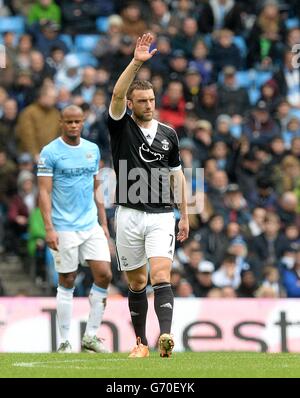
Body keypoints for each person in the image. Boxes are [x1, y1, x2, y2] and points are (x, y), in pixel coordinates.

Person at [107, 33, 189, 358]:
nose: (149, 105)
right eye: (142, 101)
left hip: (160, 215)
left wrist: (186, 213)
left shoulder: (169, 134)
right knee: (138, 282)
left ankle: (165, 336)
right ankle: (140, 342)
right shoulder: (121, 127)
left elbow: (177, 175)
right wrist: (137, 61)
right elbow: (115, 93)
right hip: (127, 213)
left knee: (160, 274)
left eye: (152, 100)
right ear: (131, 104)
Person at [37, 105, 112, 353]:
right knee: (67, 280)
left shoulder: (92, 150)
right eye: (68, 122)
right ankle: (65, 341)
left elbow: (96, 188)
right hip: (64, 226)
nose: (73, 126)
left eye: (77, 121)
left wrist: (103, 223)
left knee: (104, 274)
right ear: (61, 122)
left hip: (90, 224)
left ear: (82, 122)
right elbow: (44, 192)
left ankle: (90, 336)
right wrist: (49, 228)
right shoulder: (50, 153)